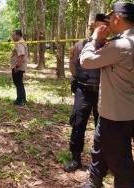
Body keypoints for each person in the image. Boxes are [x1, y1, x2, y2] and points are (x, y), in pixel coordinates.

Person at [79, 2, 134, 187]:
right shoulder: (125, 42)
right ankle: (94, 181)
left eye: (110, 18)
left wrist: (94, 39)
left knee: (121, 163)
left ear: (118, 18)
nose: (108, 22)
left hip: (116, 114)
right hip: (115, 109)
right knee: (99, 146)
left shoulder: (121, 45)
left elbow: (86, 60)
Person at [63, 14, 108, 173]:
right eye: (100, 27)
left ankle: (100, 163)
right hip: (83, 90)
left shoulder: (110, 47)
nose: (104, 30)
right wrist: (79, 80)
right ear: (94, 26)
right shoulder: (80, 46)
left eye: (106, 27)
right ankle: (75, 158)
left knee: (102, 127)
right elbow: (73, 66)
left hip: (104, 93)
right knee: (78, 123)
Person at [10, 29, 29, 106]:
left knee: (18, 83)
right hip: (18, 66)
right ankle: (22, 99)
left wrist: (16, 66)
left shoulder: (20, 43)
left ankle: (20, 100)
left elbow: (21, 55)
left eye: (13, 35)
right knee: (19, 83)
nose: (12, 37)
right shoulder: (20, 42)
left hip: (18, 67)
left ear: (18, 35)